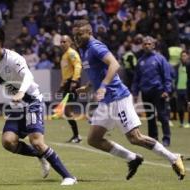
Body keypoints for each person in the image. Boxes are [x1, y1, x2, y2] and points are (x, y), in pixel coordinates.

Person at [73, 20, 185, 180]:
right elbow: (99, 71)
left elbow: (114, 64)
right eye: (75, 35)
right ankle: (133, 159)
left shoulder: (95, 47)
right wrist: (89, 86)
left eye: (80, 34)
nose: (76, 38)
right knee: (94, 139)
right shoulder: (83, 50)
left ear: (89, 33)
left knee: (135, 138)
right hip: (106, 101)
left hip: (118, 97)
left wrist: (103, 86)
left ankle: (173, 158)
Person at [0, 28, 77, 185]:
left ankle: (69, 177)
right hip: (17, 107)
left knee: (37, 142)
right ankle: (40, 156)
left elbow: (28, 76)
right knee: (8, 142)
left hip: (32, 102)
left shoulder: (14, 58)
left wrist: (21, 92)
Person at [132, 36, 172, 147]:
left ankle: (166, 138)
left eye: (149, 44)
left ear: (153, 45)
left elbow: (167, 76)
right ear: (142, 46)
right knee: (150, 117)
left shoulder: (160, 59)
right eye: (145, 44)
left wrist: (167, 90)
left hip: (158, 91)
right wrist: (135, 93)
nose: (147, 46)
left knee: (162, 115)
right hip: (146, 92)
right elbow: (136, 79)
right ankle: (153, 139)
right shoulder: (140, 61)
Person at [59, 35, 82, 143]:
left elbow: (77, 66)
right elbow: (66, 72)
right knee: (67, 111)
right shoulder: (64, 55)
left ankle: (77, 136)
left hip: (72, 83)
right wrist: (62, 85)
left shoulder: (71, 53)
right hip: (67, 83)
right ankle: (76, 135)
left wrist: (74, 81)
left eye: (64, 41)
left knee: (68, 110)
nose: (62, 43)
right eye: (61, 42)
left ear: (70, 42)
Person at [176, 50, 190, 128]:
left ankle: (189, 122)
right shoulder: (178, 66)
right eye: (182, 56)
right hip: (179, 89)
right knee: (180, 108)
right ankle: (181, 122)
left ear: (188, 56)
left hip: (187, 89)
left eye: (185, 55)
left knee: (188, 106)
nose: (183, 57)